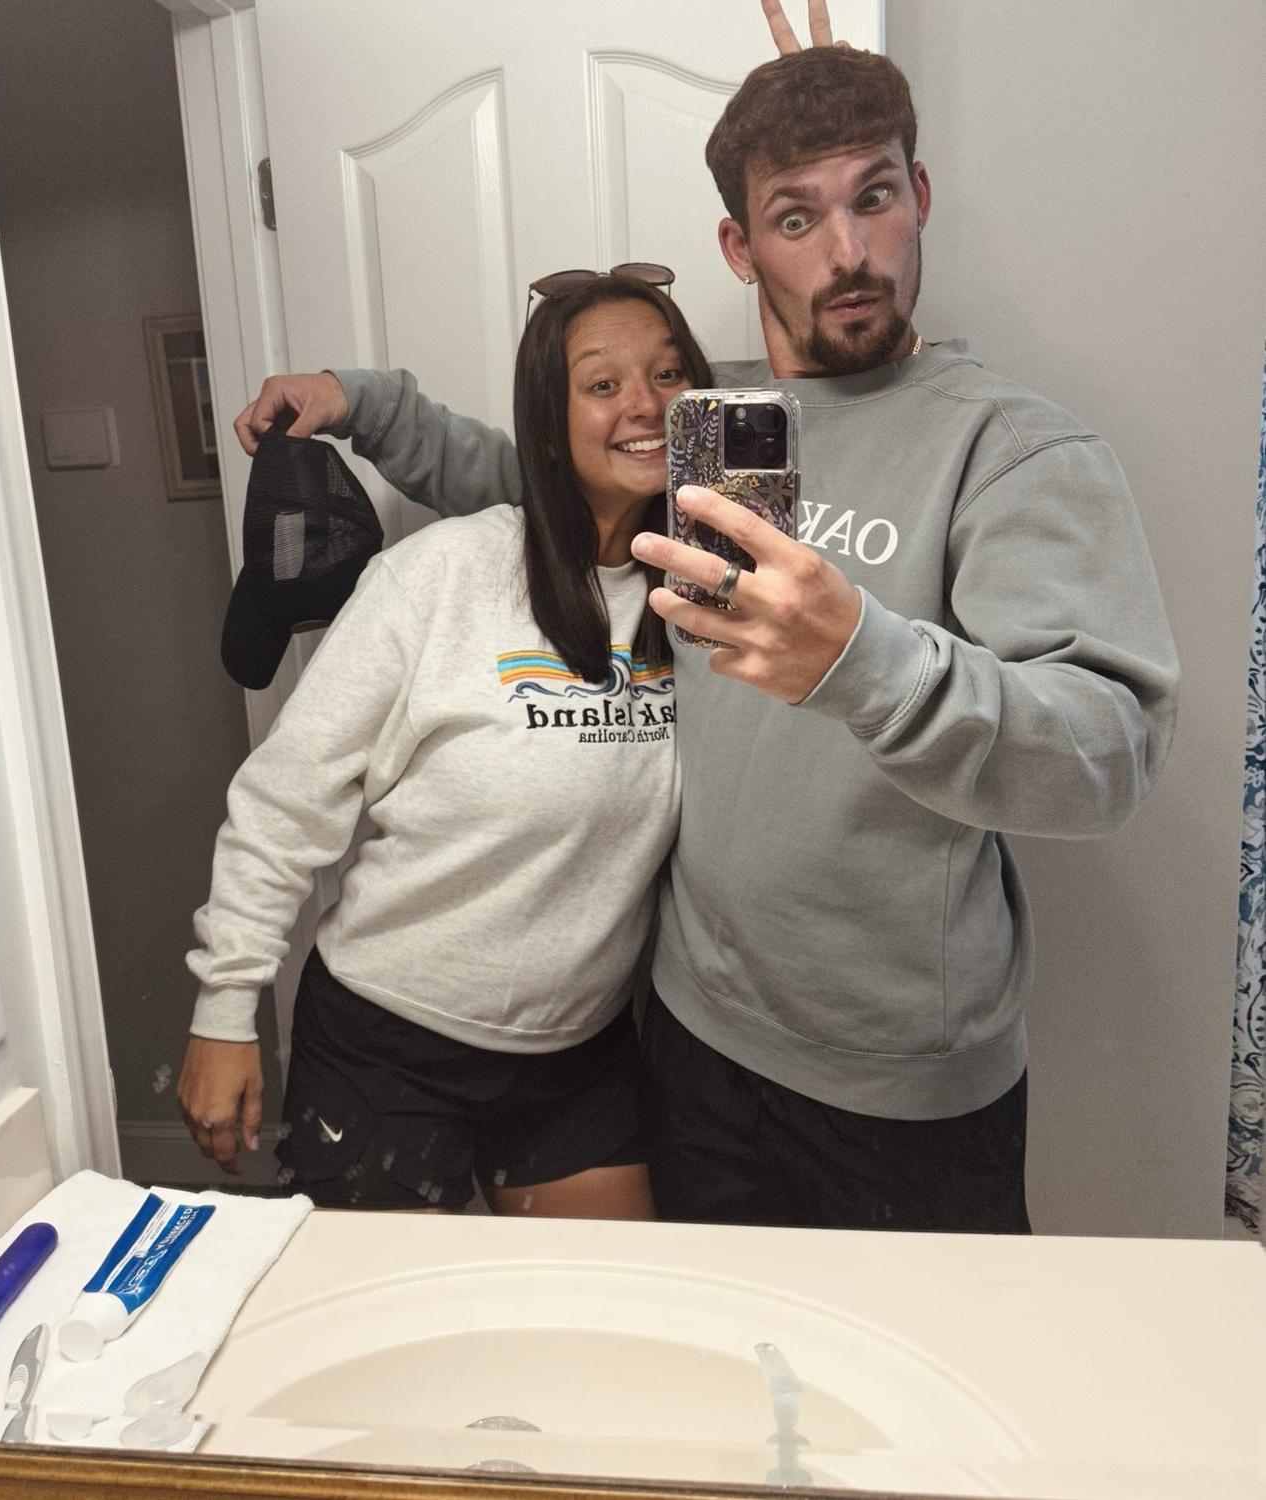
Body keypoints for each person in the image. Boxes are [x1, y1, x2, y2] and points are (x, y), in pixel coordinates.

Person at [233, 4, 1180, 1233]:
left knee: (896, 1360)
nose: (849, 251)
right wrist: (359, 401)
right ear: (741, 247)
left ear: (921, 194)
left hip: (902, 1078)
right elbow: (536, 476)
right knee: (689, 1349)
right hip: (688, 1041)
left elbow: (1105, 756)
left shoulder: (1012, 451)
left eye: (874, 197)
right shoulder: (711, 432)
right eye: (797, 217)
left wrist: (863, 661)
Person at [182, 272, 713, 1218]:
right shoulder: (442, 574)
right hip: (388, 1046)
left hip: (580, 1050)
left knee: (603, 1305)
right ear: (546, 421)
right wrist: (225, 1010)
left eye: (670, 375)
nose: (646, 405)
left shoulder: (712, 596)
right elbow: (285, 802)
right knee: (386, 1312)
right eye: (603, 384)